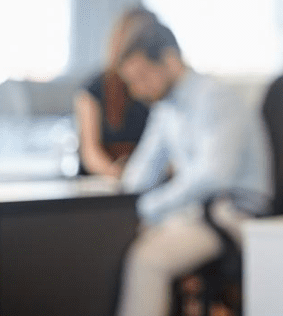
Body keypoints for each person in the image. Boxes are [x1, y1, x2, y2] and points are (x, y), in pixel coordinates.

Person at [114, 19, 272, 316]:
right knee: (116, 242)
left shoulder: (215, 98)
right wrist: (118, 201)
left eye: (143, 76)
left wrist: (151, 206)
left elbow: (214, 175)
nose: (138, 89)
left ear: (170, 60)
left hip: (233, 213)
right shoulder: (166, 107)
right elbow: (142, 171)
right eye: (131, 82)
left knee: (147, 260)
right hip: (194, 212)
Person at [74, 6, 157, 178]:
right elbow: (90, 154)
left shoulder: (159, 94)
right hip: (104, 186)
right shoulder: (92, 90)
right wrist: (118, 174)